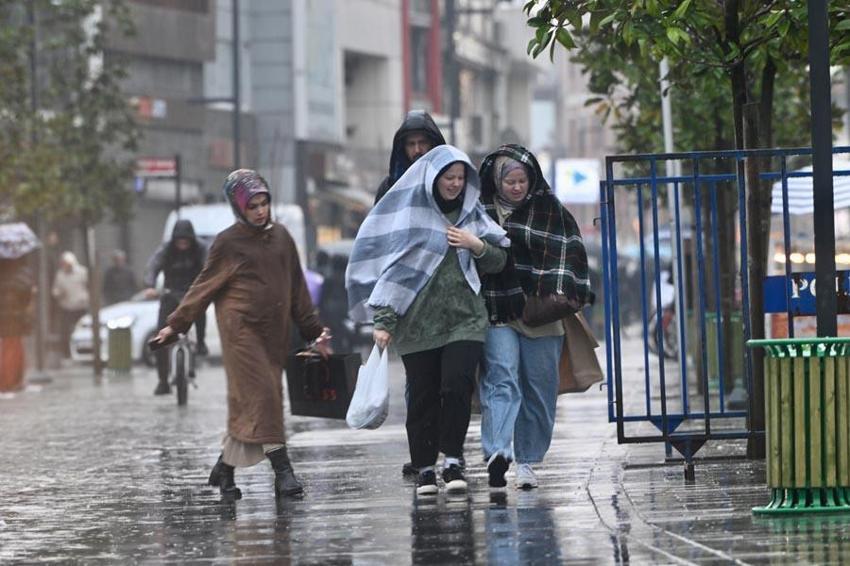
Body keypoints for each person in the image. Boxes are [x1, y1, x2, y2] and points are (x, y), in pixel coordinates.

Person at [151, 169, 332, 500]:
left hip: (273, 334)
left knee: (251, 403)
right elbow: (202, 288)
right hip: (240, 332)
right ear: (239, 208)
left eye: (264, 203)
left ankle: (224, 470)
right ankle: (283, 472)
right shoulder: (228, 242)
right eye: (253, 206)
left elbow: (298, 290)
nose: (261, 211)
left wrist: (314, 332)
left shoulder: (282, 238)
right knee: (266, 395)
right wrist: (175, 325)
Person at [347, 145, 509, 496]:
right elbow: (391, 275)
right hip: (416, 324)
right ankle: (424, 468)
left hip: (465, 320)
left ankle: (452, 460)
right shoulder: (409, 218)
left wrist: (475, 245)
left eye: (460, 178)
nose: (454, 184)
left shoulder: (473, 215)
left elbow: (498, 260)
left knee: (457, 386)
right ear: (432, 179)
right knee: (422, 396)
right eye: (448, 178)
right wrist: (384, 321)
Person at [477, 144, 593, 490]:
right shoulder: (479, 212)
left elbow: (570, 254)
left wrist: (556, 288)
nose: (515, 187)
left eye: (521, 180)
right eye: (509, 180)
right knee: (501, 379)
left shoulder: (551, 211)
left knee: (539, 390)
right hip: (497, 308)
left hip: (543, 314)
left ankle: (527, 461)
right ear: (496, 181)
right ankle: (498, 451)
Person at [143, 220, 208, 395]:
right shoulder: (166, 249)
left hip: (193, 294)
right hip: (170, 294)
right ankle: (162, 381)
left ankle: (201, 342)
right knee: (159, 340)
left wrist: (208, 288)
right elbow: (153, 266)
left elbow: (209, 267)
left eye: (186, 241)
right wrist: (149, 285)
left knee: (200, 310)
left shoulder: (201, 248)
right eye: (179, 241)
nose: (182, 244)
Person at [373, 109, 446, 205]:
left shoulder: (448, 183)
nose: (417, 150)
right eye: (411, 144)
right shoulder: (389, 188)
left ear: (432, 144)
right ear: (403, 148)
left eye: (422, 142)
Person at [0, 255, 36, 392]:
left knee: (8, 348)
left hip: (5, 318)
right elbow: (25, 292)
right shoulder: (19, 274)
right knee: (13, 348)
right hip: (14, 317)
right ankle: (11, 382)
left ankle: (10, 381)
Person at [52, 251, 90, 358]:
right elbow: (56, 289)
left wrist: (86, 298)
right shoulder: (60, 274)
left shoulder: (82, 272)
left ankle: (84, 351)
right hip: (66, 306)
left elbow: (89, 286)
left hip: (80, 306)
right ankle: (67, 352)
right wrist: (57, 293)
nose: (65, 266)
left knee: (82, 329)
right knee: (66, 331)